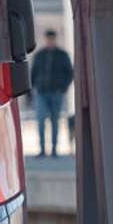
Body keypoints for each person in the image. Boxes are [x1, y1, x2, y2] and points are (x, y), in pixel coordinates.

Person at [30, 29, 74, 157]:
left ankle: (54, 149)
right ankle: (42, 149)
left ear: (55, 39)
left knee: (55, 121)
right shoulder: (39, 55)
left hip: (57, 93)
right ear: (45, 40)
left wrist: (63, 88)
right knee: (41, 120)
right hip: (41, 93)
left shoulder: (62, 55)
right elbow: (33, 74)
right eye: (48, 39)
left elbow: (70, 74)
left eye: (52, 39)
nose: (50, 42)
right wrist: (32, 92)